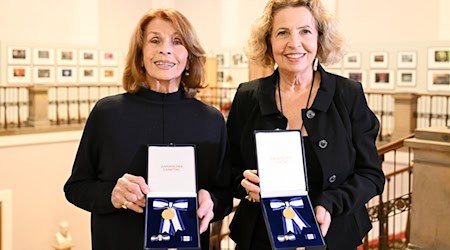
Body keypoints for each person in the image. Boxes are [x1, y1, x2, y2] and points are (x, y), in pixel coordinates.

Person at [64, 8, 232, 250]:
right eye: (155, 40)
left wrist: (211, 200)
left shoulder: (211, 120)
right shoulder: (107, 113)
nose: (165, 49)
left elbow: (225, 194)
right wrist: (112, 194)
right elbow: (76, 188)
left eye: (177, 41)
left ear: (189, 55)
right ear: (140, 53)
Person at [226, 0, 385, 249]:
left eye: (305, 31)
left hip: (334, 234)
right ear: (268, 41)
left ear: (319, 39)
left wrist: (329, 203)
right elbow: (230, 169)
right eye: (282, 33)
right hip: (260, 237)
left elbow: (371, 175)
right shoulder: (248, 96)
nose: (294, 43)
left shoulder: (348, 94)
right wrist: (243, 184)